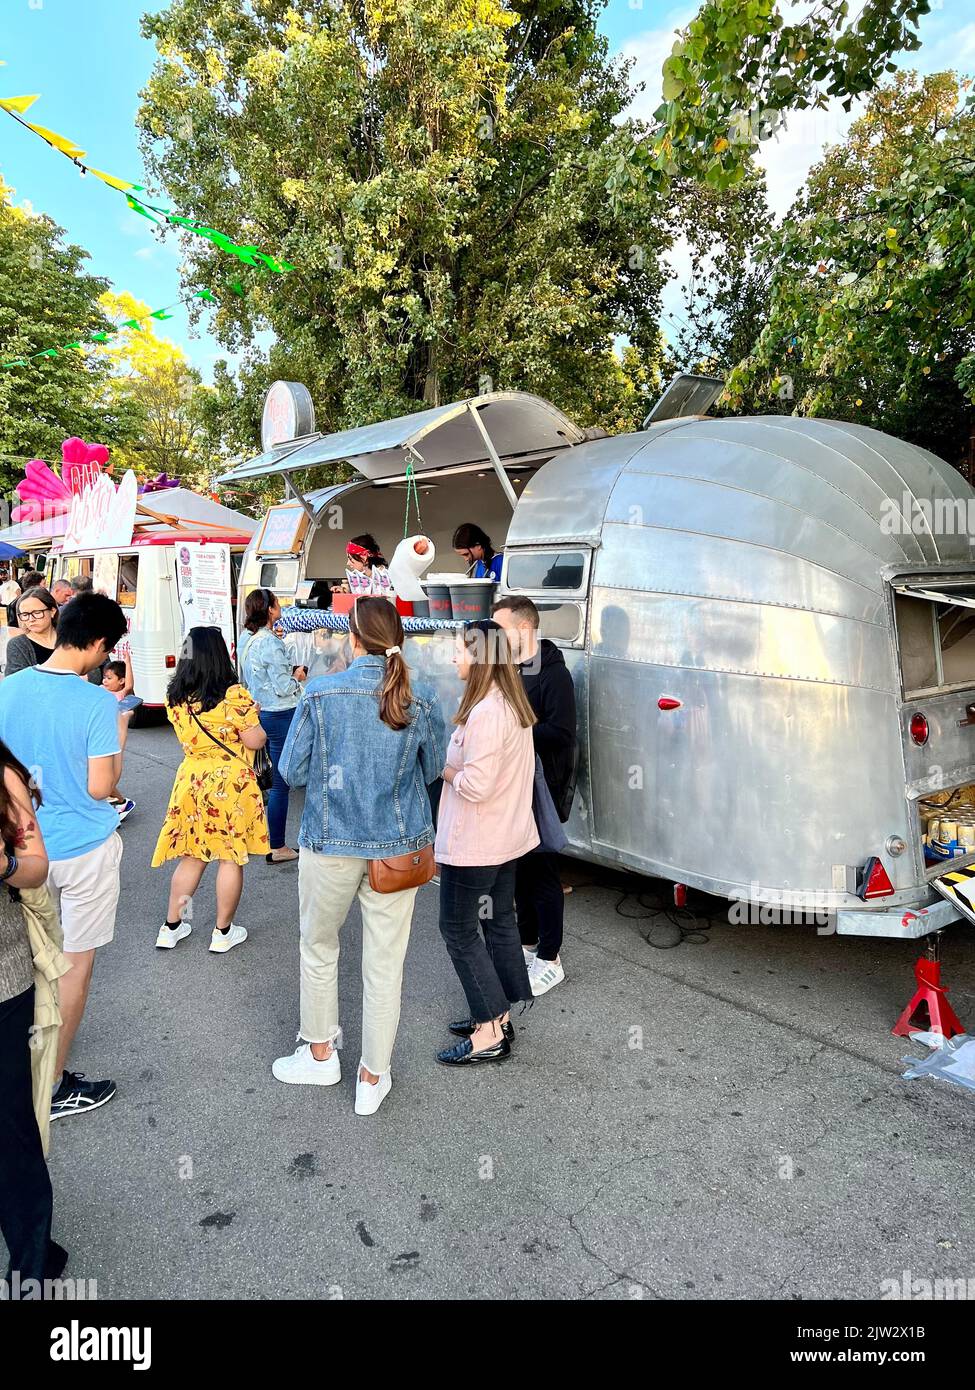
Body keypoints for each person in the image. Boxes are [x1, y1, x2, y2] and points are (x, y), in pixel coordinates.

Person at [274, 596, 445, 1116]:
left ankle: (321, 1052)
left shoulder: (321, 693)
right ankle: (373, 1076)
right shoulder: (422, 698)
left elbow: (291, 771)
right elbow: (433, 768)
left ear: (352, 638)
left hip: (329, 842)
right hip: (396, 850)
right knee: (385, 965)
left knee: (319, 947)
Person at [0, 591, 128, 1120]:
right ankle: (52, 1084)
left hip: (25, 847)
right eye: (107, 648)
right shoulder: (97, 701)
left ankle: (23, 1058)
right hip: (84, 849)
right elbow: (102, 787)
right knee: (75, 965)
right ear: (97, 642)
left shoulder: (8, 690)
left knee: (30, 963)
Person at [434, 619, 538, 1066]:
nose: (455, 657)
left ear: (479, 657)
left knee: (458, 930)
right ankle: (498, 1012)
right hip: (505, 840)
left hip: (476, 844)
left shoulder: (486, 713)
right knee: (497, 924)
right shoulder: (508, 706)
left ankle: (488, 1030)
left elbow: (475, 785)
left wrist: (446, 771)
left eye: (460, 650)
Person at [0, 737, 69, 1295]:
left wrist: (5, 862)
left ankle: (29, 1264)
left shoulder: (3, 777)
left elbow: (37, 867)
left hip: (2, 984)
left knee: (11, 1130)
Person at [152, 627, 269, 953]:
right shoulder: (233, 695)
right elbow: (254, 740)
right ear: (221, 654)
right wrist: (253, 719)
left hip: (191, 780)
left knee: (193, 856)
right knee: (229, 859)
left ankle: (173, 926)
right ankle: (222, 932)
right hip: (230, 784)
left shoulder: (174, 697)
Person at [493, 596, 577, 996]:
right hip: (513, 783)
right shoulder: (508, 667)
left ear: (523, 629)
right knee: (519, 872)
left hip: (542, 787)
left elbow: (563, 733)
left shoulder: (554, 674)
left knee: (542, 871)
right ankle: (528, 947)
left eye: (501, 628)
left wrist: (517, 731)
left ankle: (551, 958)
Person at [239, 588, 307, 864]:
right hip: (281, 714)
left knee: (276, 780)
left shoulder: (249, 640)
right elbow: (283, 686)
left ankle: (274, 842)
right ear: (269, 609)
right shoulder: (271, 643)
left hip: (263, 713)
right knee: (281, 783)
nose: (280, 607)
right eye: (277, 604)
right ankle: (277, 845)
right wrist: (298, 677)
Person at [101, 654, 141, 822]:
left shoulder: (122, 694)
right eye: (104, 677)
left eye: (109, 678)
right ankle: (117, 803)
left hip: (113, 739)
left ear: (121, 681)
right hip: (102, 737)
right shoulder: (101, 690)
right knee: (102, 775)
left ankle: (120, 803)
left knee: (106, 776)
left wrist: (128, 663)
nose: (105, 681)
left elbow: (130, 684)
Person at [4, 587, 59, 675]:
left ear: (52, 611)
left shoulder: (70, 638)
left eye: (37, 613)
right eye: (25, 615)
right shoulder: (18, 645)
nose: (31, 619)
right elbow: (16, 682)